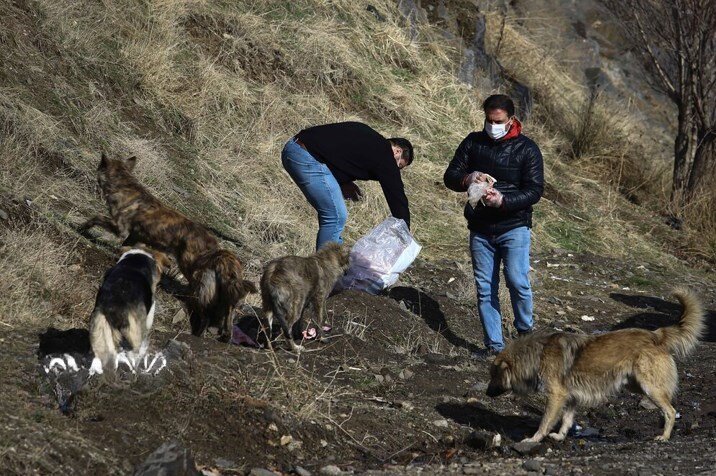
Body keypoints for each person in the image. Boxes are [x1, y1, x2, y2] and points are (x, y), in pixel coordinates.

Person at [443, 94, 544, 359]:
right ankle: (494, 347)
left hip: (514, 225)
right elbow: (450, 176)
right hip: (480, 227)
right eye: (488, 120)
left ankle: (525, 332)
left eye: (497, 121)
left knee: (518, 281)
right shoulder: (473, 142)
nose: (492, 125)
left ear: (511, 119)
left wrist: (504, 200)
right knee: (485, 288)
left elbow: (534, 190)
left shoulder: (527, 149)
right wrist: (468, 178)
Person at [282, 121, 413, 250]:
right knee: (336, 215)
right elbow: (397, 197)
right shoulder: (384, 154)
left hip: (294, 148)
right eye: (399, 165)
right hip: (306, 156)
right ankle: (324, 269)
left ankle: (336, 266)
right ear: (397, 151)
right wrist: (404, 234)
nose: (396, 170)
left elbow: (334, 152)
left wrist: (343, 182)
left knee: (335, 217)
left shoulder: (370, 141)